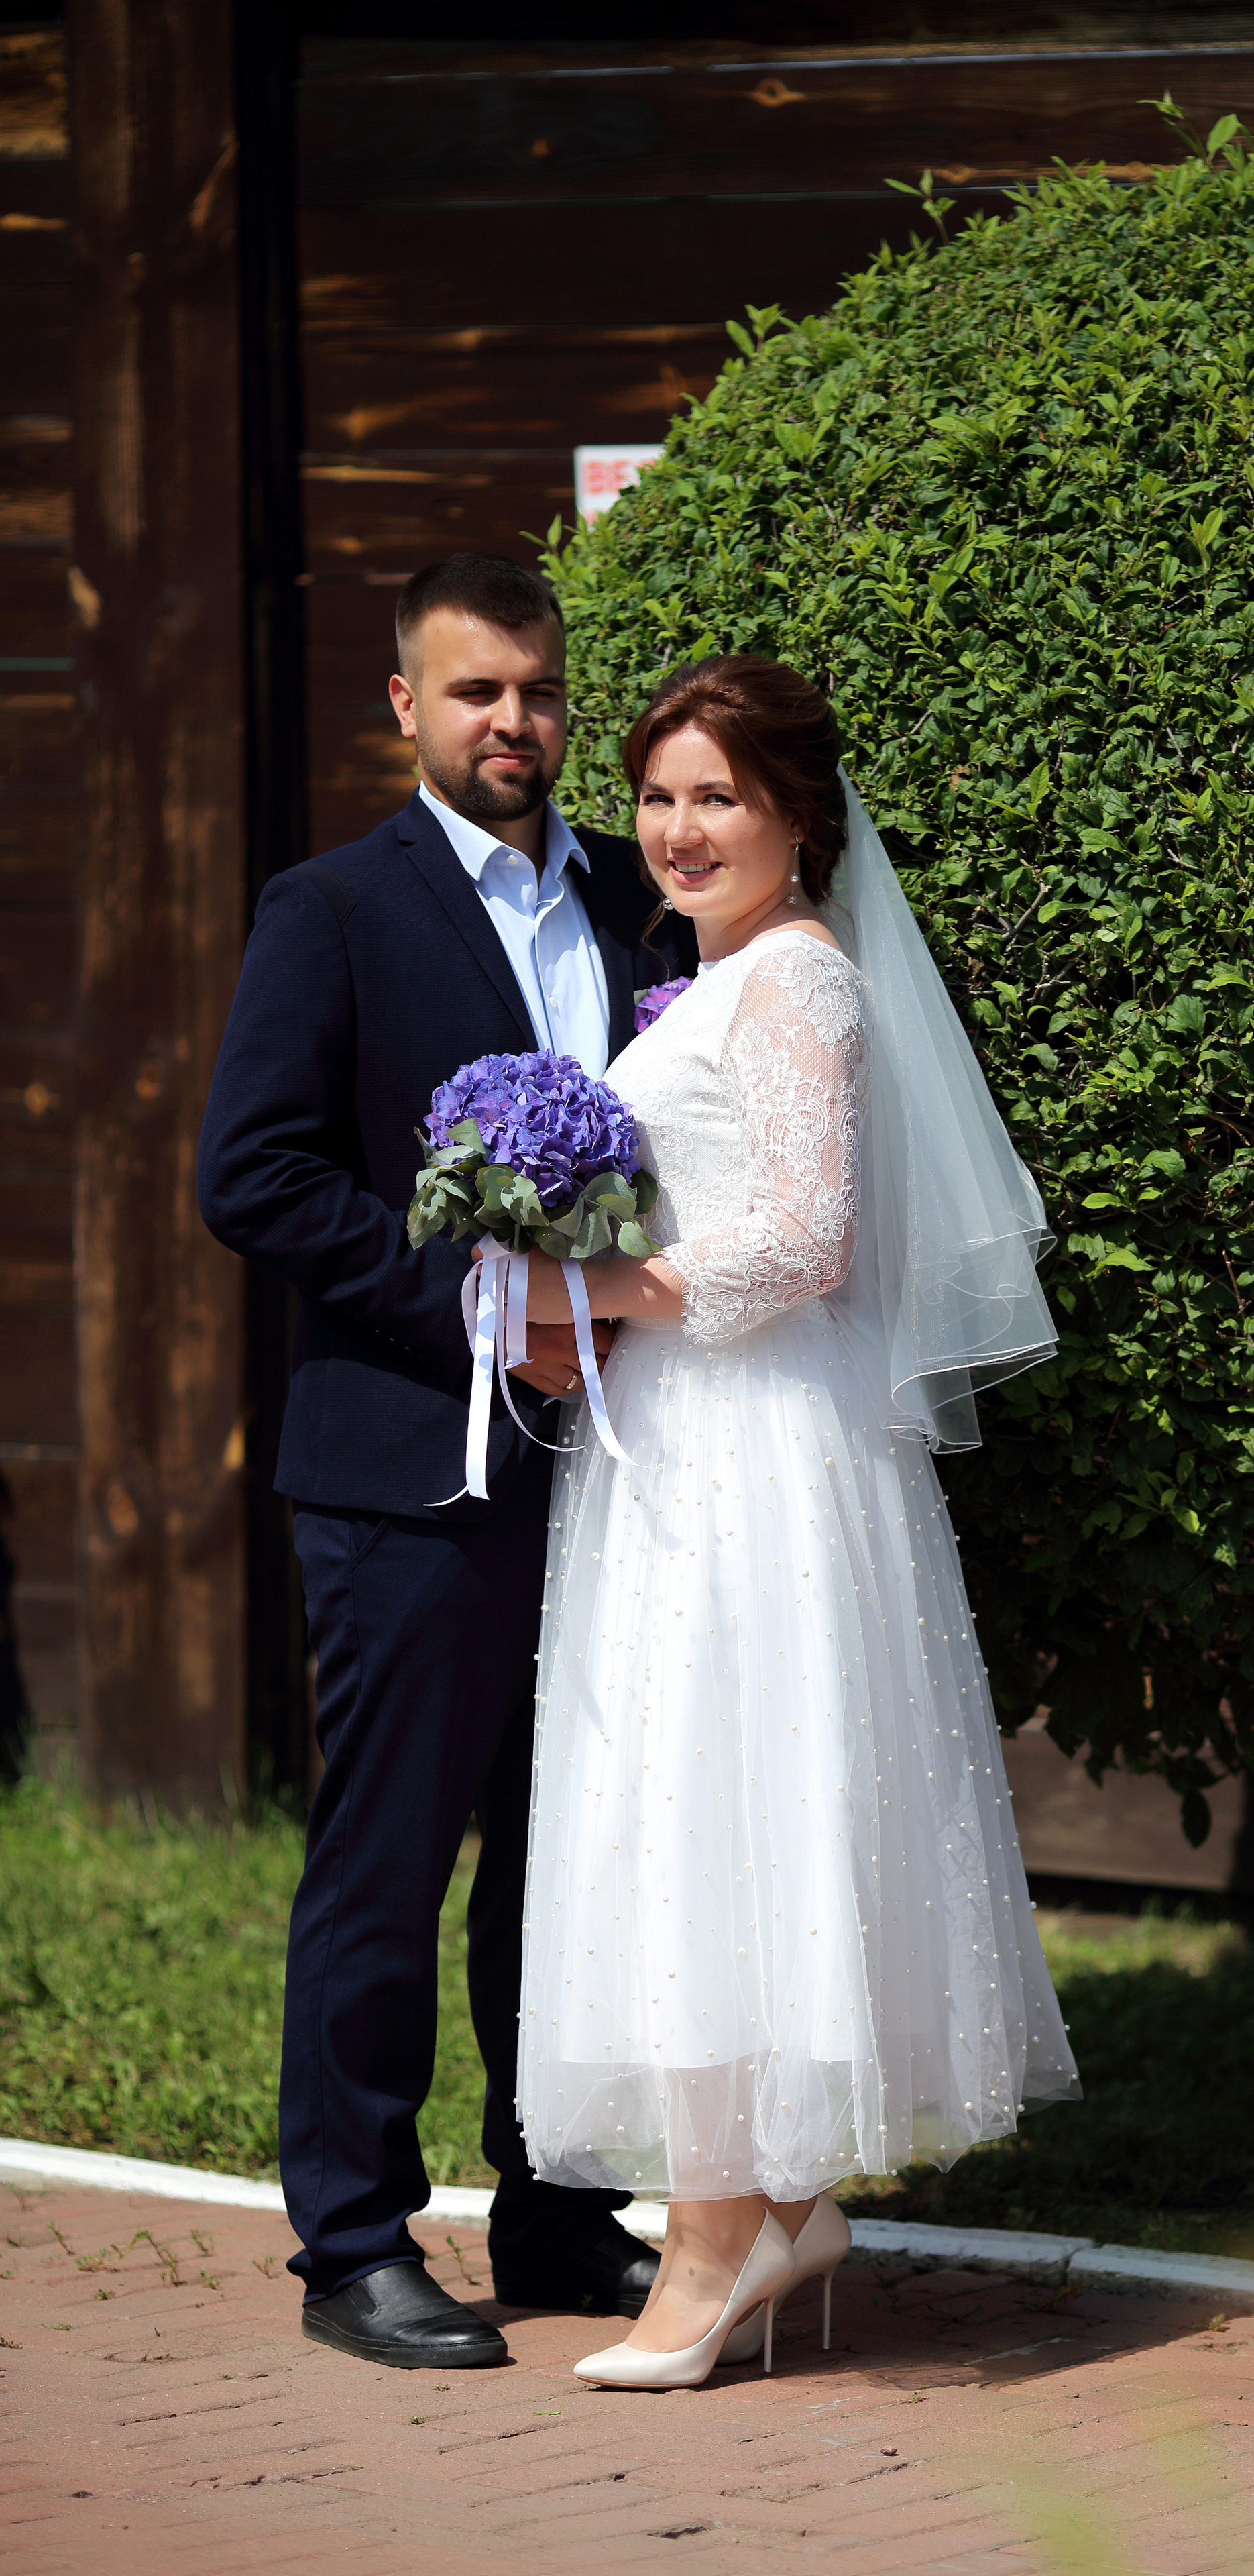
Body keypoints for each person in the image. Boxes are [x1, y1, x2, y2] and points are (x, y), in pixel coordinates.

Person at [514, 655, 1080, 2390]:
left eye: (718, 798)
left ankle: (720, 2243)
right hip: (673, 1440)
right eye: (661, 795)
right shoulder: (706, 985)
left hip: (760, 1451)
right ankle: (751, 2208)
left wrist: (600, 1285)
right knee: (678, 1817)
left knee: (719, 1807)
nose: (679, 830)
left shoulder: (801, 985)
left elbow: (810, 1242)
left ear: (796, 818)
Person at [197, 554, 694, 2371]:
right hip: (411, 1465)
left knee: (570, 1864)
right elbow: (250, 1175)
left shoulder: (639, 910)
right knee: (389, 1860)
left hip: (615, 1471)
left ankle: (557, 2211)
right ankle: (351, 2241)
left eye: (540, 691)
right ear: (403, 705)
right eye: (476, 691)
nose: (515, 723)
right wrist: (477, 1301)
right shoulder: (332, 908)